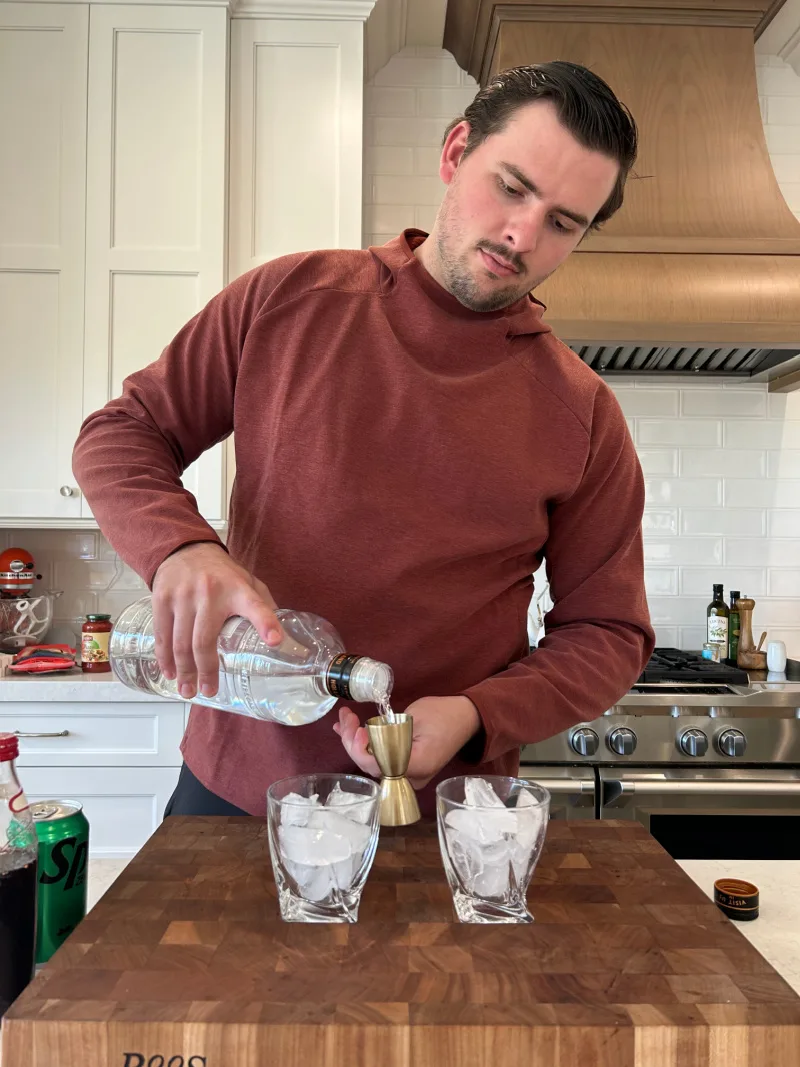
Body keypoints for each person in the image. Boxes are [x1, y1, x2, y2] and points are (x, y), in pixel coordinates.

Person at [72, 61, 655, 818]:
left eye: (563, 221)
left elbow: (609, 631)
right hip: (235, 791)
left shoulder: (583, 413)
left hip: (445, 815)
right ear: (455, 153)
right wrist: (180, 546)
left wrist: (479, 712)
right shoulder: (287, 301)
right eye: (511, 187)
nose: (522, 233)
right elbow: (122, 433)